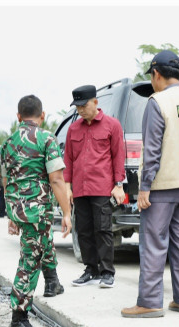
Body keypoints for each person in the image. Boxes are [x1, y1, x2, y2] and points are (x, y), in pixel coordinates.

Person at [120, 50, 179, 318]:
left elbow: (153, 151)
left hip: (162, 186)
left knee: (154, 243)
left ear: (156, 74)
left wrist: (144, 187)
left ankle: (149, 301)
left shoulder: (157, 102)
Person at [1, 94, 72, 327]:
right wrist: (66, 212)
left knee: (42, 242)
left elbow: (6, 180)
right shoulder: (46, 138)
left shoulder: (7, 143)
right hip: (36, 208)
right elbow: (56, 179)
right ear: (42, 116)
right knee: (30, 259)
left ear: (18, 117)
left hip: (18, 207)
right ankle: (18, 320)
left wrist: (12, 214)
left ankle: (52, 282)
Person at [63, 85, 126, 288]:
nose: (80, 110)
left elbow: (118, 156)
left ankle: (107, 272)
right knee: (84, 231)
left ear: (95, 102)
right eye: (77, 107)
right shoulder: (73, 128)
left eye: (84, 105)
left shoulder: (112, 125)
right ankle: (91, 270)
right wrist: (68, 187)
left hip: (101, 187)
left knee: (103, 230)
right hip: (80, 189)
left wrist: (118, 185)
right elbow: (69, 159)